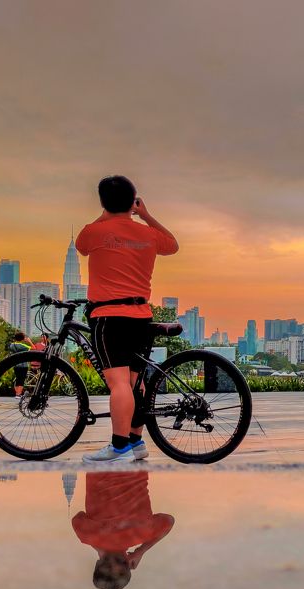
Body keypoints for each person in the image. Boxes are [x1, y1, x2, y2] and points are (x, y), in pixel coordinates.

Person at [76, 175, 179, 462]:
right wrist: (145, 215)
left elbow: (81, 245)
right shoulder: (148, 234)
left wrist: (107, 214)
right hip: (141, 316)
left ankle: (118, 446)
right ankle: (135, 441)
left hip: (108, 317)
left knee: (119, 383)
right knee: (135, 383)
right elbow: (173, 245)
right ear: (133, 201)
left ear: (103, 202)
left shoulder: (95, 231)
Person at [72, 471, 174, 589]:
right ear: (98, 562)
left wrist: (140, 551)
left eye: (108, 565)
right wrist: (98, 547)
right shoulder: (87, 535)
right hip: (99, 467)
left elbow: (169, 520)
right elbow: (78, 517)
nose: (115, 565)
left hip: (134, 467)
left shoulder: (142, 533)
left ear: (129, 562)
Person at [8, 331, 33, 397]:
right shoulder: (23, 346)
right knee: (22, 380)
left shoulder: (11, 345)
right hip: (23, 365)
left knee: (18, 379)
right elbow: (34, 348)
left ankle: (17, 394)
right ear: (22, 338)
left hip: (15, 364)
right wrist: (29, 341)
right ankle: (18, 394)